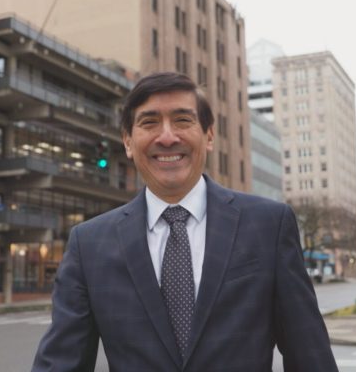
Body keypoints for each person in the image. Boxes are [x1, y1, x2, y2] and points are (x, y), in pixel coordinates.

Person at [31, 72, 337, 371]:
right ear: (127, 141)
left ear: (209, 135)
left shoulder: (269, 225)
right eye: (149, 122)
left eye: (182, 120)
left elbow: (309, 353)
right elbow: (61, 361)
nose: (167, 137)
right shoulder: (88, 245)